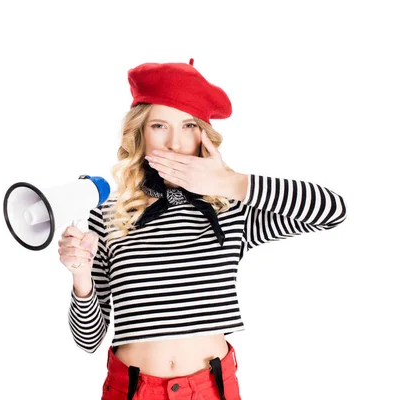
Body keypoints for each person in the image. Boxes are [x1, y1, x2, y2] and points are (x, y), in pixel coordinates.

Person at [58, 58, 347, 400]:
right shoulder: (109, 213)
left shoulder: (230, 209)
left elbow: (331, 210)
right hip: (131, 389)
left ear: (203, 136)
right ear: (140, 132)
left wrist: (232, 183)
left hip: (211, 388)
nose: (175, 144)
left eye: (189, 126)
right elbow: (88, 340)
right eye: (160, 126)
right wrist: (81, 278)